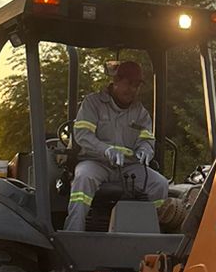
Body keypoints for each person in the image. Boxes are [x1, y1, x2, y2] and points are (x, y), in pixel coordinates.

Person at [63, 59, 169, 231]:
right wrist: (106, 150)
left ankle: (155, 236)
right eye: (128, 83)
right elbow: (82, 135)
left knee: (159, 184)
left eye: (136, 85)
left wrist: (145, 150)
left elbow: (147, 140)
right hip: (96, 162)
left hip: (128, 167)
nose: (132, 89)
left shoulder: (140, 112)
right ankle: (73, 231)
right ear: (116, 81)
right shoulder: (93, 103)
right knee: (83, 177)